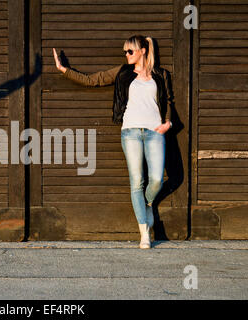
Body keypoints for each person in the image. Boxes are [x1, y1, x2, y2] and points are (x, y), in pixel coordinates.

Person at [53, 35, 173, 249]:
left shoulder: (161, 75)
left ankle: (147, 204)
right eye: (125, 52)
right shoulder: (122, 72)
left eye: (130, 51)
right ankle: (144, 232)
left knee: (155, 179)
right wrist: (64, 70)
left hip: (155, 132)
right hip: (130, 132)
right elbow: (93, 79)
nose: (126, 55)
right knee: (136, 182)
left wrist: (168, 123)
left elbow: (169, 101)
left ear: (143, 51)